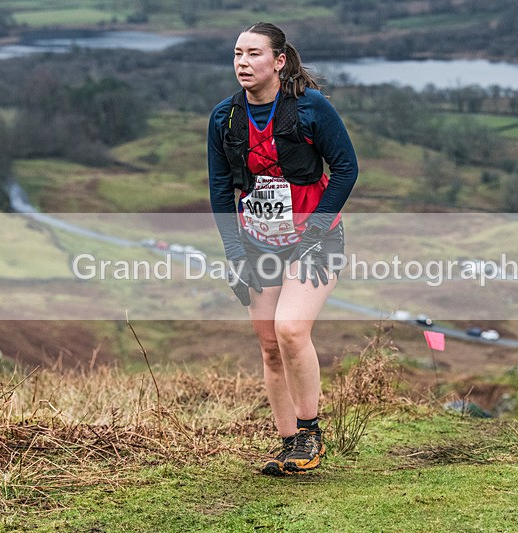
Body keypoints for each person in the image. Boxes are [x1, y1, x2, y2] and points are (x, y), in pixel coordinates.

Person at [207, 22, 358, 475]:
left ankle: (311, 435)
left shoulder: (311, 108)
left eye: (253, 54)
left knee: (291, 330)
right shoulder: (225, 117)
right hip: (258, 244)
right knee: (270, 345)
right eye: (237, 53)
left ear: (278, 61)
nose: (242, 62)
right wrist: (235, 253)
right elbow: (219, 190)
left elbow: (346, 169)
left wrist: (313, 234)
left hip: (316, 239)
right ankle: (289, 443)